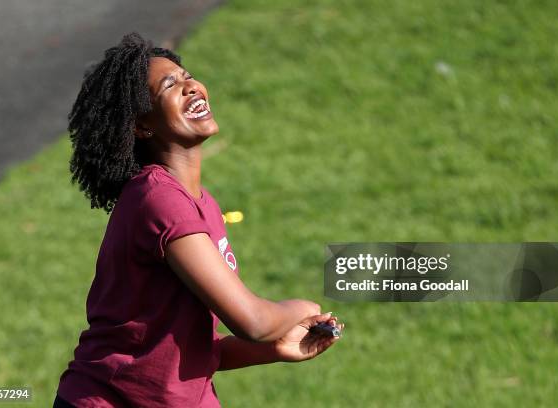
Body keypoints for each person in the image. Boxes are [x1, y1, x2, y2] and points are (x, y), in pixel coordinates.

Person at [54, 32, 343, 408]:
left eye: (188, 76)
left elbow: (190, 349)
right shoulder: (158, 199)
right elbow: (252, 321)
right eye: (170, 85)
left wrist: (277, 348)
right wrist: (301, 309)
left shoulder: (201, 204)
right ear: (142, 126)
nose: (190, 87)